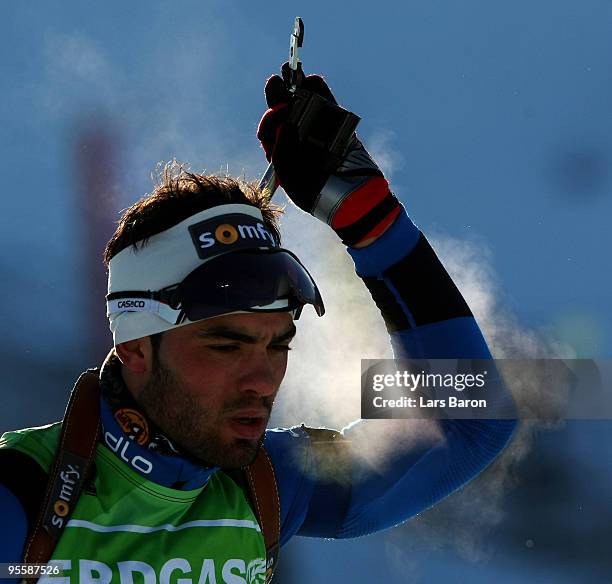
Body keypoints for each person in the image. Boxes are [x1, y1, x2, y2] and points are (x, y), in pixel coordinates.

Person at [0, 67, 517, 582]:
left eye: (278, 346)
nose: (262, 380)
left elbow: (472, 419)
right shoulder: (19, 496)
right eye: (226, 345)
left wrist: (371, 221)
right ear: (135, 345)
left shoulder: (268, 481)